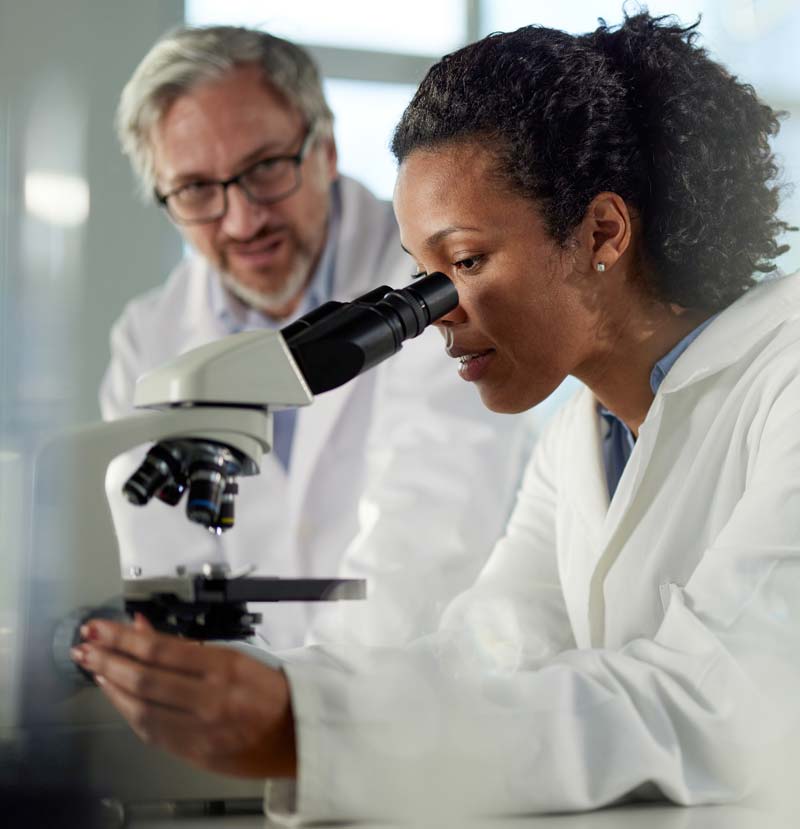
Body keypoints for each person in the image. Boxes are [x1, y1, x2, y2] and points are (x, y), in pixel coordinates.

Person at [74, 11, 800, 820]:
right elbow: (486, 649)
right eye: (421, 271)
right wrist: (274, 692)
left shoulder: (788, 383)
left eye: (463, 261)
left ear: (601, 230)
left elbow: (707, 701)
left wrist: (308, 728)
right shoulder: (581, 433)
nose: (434, 312)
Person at [101, 26, 530, 649]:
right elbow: (165, 558)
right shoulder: (148, 338)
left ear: (325, 149)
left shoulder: (436, 282)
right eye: (197, 189)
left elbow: (429, 529)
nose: (244, 220)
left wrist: (304, 706)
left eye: (266, 168)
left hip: (417, 684)